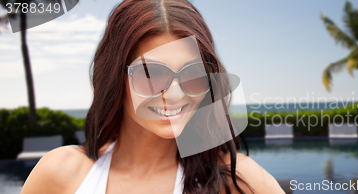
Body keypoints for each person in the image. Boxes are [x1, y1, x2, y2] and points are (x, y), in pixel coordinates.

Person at [20, 0, 284, 193]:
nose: (176, 94)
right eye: (151, 74)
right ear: (115, 77)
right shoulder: (60, 174)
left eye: (194, 74)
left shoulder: (236, 180)